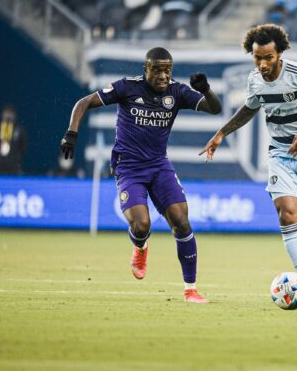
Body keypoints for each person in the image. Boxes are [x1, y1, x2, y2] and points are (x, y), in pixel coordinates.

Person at [60, 47, 222, 303]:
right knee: (141, 224)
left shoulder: (177, 92)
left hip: (159, 166)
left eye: (167, 70)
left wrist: (206, 90)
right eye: (156, 70)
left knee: (182, 221)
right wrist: (72, 133)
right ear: (145, 69)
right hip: (129, 168)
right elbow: (83, 103)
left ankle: (190, 289)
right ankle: (140, 247)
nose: (162, 76)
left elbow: (215, 109)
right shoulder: (126, 88)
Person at [199, 24, 297, 301]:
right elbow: (250, 107)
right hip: (280, 154)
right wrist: (221, 133)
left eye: (268, 58)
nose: (262, 64)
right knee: (287, 214)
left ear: (280, 54)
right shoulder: (254, 80)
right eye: (257, 58)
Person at [0, 105, 27, 175]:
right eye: (6, 113)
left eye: (11, 113)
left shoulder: (19, 130)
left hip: (14, 164)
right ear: (2, 115)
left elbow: (23, 147)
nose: (8, 116)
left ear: (15, 116)